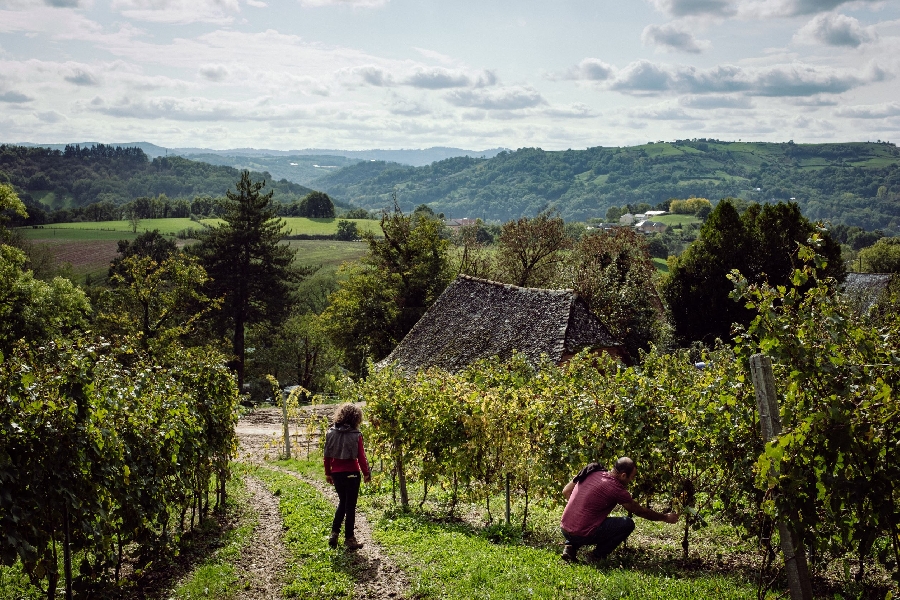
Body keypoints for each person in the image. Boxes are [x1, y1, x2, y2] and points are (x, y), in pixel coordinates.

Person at [559, 456, 679, 563]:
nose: (631, 481)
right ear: (623, 475)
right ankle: (596, 556)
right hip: (582, 534)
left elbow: (566, 491)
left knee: (588, 520)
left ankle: (570, 547)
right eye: (631, 477)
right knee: (627, 524)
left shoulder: (593, 472)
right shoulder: (616, 489)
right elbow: (639, 511)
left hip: (564, 528)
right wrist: (665, 517)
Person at [323, 403, 371, 550]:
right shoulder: (356, 435)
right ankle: (349, 538)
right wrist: (367, 473)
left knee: (342, 503)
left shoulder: (330, 433)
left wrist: (328, 473)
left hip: (337, 474)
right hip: (352, 473)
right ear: (356, 418)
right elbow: (361, 457)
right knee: (350, 506)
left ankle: (334, 533)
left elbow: (326, 456)